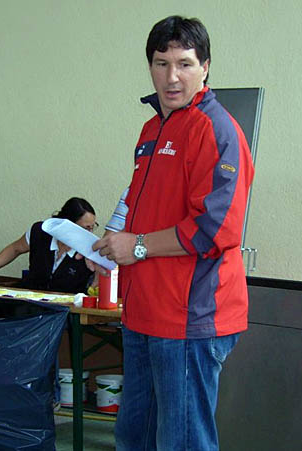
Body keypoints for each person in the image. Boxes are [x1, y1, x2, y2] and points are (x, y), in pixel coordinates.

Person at [92, 16, 255, 450]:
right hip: (144, 313)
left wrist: (138, 246)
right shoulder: (152, 130)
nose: (172, 76)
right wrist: (109, 247)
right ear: (149, 66)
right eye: (161, 63)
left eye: (184, 63)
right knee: (134, 437)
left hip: (189, 318)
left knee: (182, 442)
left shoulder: (215, 131)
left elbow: (213, 229)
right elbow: (139, 207)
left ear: (205, 67)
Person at [0, 197, 98, 294]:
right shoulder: (40, 231)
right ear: (67, 224)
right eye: (85, 228)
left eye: (92, 228)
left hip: (65, 311)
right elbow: (15, 249)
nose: (89, 233)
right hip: (30, 300)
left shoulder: (90, 250)